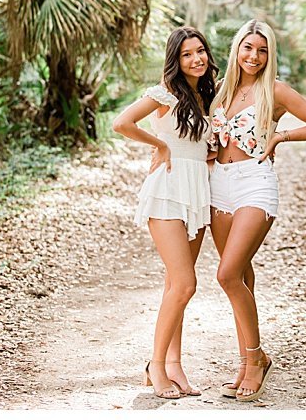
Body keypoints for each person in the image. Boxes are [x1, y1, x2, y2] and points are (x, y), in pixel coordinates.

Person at [207, 19, 306, 401]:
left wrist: (282, 134)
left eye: (262, 50)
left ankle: (256, 357)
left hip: (255, 182)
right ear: (236, 50)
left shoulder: (275, 91)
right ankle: (247, 361)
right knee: (242, 276)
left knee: (227, 275)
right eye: (248, 48)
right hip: (218, 184)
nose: (254, 56)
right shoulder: (218, 91)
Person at [112, 26, 220, 400]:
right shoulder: (166, 93)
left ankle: (174, 365)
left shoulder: (206, 97)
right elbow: (121, 123)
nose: (197, 59)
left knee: (177, 287)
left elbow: (203, 146)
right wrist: (159, 144)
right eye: (188, 54)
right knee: (185, 282)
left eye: (201, 51)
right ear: (176, 59)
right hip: (168, 191)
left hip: (197, 192)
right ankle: (155, 366)